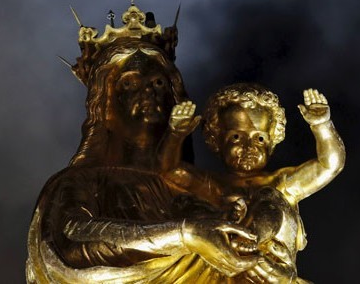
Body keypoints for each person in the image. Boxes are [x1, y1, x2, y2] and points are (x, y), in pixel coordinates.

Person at [27, 33, 259, 282]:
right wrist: (184, 235)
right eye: (129, 84)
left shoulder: (192, 189)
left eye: (159, 83)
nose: (148, 91)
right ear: (105, 105)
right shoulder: (79, 180)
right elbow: (72, 239)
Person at [159, 84, 345, 283]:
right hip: (224, 271)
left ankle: (248, 240)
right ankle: (237, 243)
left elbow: (330, 165)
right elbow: (169, 170)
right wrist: (175, 134)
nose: (249, 147)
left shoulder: (281, 182)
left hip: (271, 270)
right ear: (216, 140)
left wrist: (322, 125)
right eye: (236, 137)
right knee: (191, 207)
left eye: (260, 138)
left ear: (272, 141)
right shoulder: (212, 184)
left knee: (270, 197)